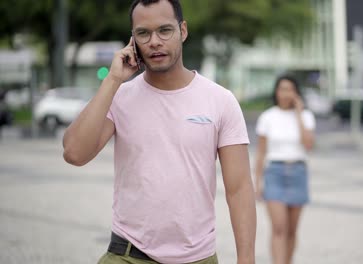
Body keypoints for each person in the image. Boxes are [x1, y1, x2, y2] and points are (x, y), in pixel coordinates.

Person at [62, 0, 256, 263]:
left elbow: (240, 189)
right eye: (143, 33)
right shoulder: (119, 96)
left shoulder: (220, 100)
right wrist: (113, 80)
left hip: (198, 257)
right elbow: (74, 153)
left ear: (183, 31)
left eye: (165, 30)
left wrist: (246, 259)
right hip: (128, 255)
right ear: (132, 40)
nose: (154, 41)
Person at [254, 75, 315, 264]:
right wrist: (258, 182)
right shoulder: (268, 117)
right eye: (282, 89)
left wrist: (298, 113)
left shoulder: (306, 116)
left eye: (290, 89)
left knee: (291, 230)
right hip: (275, 173)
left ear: (296, 92)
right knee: (279, 228)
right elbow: (261, 152)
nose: (285, 93)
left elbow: (308, 144)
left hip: (298, 172)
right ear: (276, 92)